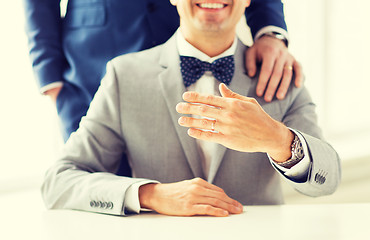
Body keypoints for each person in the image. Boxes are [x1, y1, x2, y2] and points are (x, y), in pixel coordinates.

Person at [41, 0, 341, 217]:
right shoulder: (124, 76)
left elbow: (328, 180)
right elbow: (58, 182)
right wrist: (151, 194)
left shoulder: (279, 73)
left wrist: (278, 139)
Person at [22, 0, 302, 141]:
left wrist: (270, 32)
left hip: (189, 51)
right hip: (89, 71)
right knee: (98, 198)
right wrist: (51, 79)